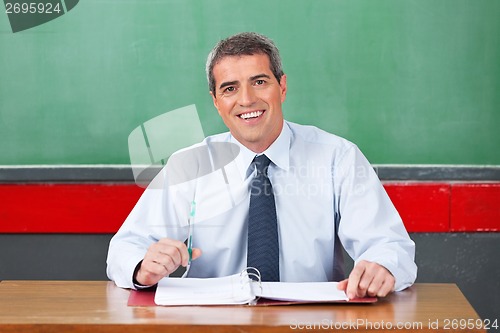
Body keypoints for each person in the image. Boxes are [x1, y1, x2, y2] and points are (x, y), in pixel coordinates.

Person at [106, 32, 417, 299]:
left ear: (282, 87)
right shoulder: (191, 165)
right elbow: (125, 248)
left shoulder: (337, 157)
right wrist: (141, 266)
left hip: (311, 323)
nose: (247, 99)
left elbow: (389, 245)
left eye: (259, 82)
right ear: (216, 101)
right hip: (211, 324)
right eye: (229, 88)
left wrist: (382, 265)